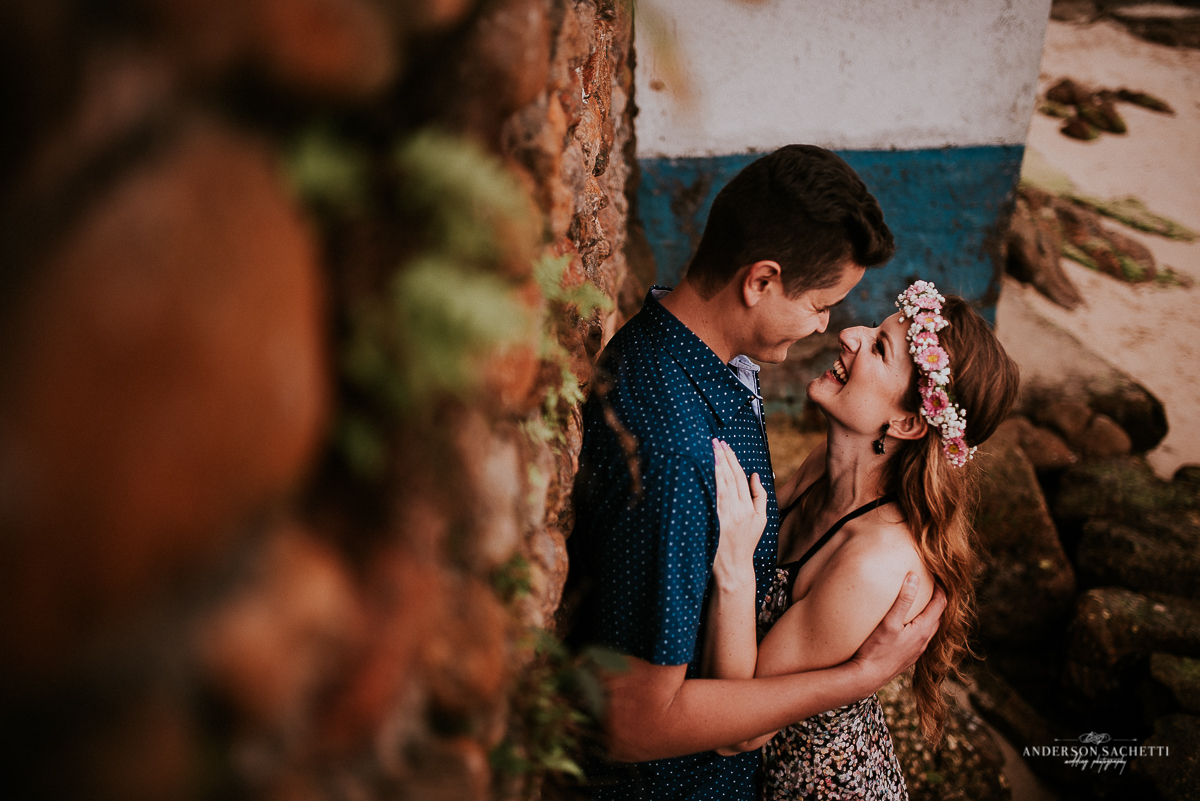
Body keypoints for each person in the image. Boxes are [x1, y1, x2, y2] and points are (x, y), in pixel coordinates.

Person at [563, 145, 947, 801]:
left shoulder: (707, 363)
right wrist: (856, 678)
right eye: (823, 303)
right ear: (760, 281)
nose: (830, 326)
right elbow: (631, 724)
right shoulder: (678, 457)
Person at [705, 281, 1020, 799]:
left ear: (907, 421)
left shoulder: (875, 564)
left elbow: (741, 727)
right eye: (874, 329)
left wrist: (735, 566)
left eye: (878, 347)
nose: (848, 334)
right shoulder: (818, 471)